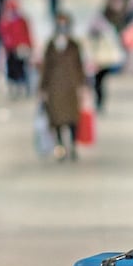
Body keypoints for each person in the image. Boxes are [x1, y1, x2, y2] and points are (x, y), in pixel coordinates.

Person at [39, 12, 85, 161]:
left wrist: (82, 86)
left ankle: (72, 145)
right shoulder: (51, 46)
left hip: (71, 87)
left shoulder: (74, 45)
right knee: (56, 118)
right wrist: (42, 88)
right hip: (54, 87)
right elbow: (45, 68)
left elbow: (80, 66)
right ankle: (60, 146)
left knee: (73, 119)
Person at [0, 0, 33, 98]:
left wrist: (29, 46)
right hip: (11, 50)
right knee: (13, 70)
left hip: (22, 48)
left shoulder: (22, 20)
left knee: (23, 69)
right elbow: (3, 36)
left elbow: (27, 34)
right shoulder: (4, 22)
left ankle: (25, 87)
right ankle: (15, 88)